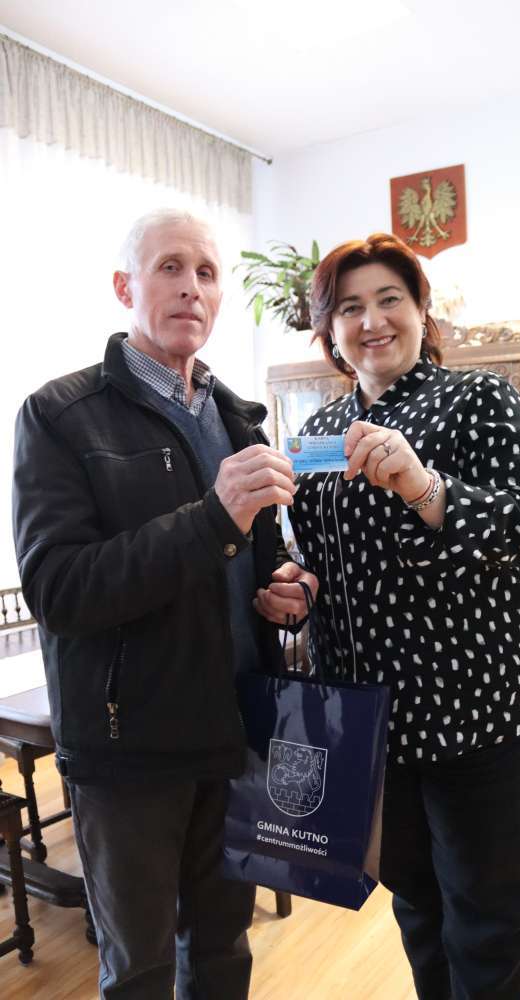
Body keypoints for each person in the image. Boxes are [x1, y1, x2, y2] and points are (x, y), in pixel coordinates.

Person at [12, 207, 317, 999]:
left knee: (223, 952)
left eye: (206, 272)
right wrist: (210, 518)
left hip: (234, 735)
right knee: (140, 971)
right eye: (170, 267)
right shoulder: (58, 415)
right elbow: (60, 591)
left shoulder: (239, 420)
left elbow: (259, 566)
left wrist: (286, 593)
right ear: (125, 287)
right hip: (128, 754)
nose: (191, 288)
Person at [288, 233, 520, 1000]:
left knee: (486, 921)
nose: (371, 320)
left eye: (390, 299)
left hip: (489, 709)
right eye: (349, 307)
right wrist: (294, 581)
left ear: (422, 311)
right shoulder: (320, 432)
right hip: (374, 723)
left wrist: (425, 488)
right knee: (416, 905)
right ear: (329, 330)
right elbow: (320, 554)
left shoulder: (477, 399)